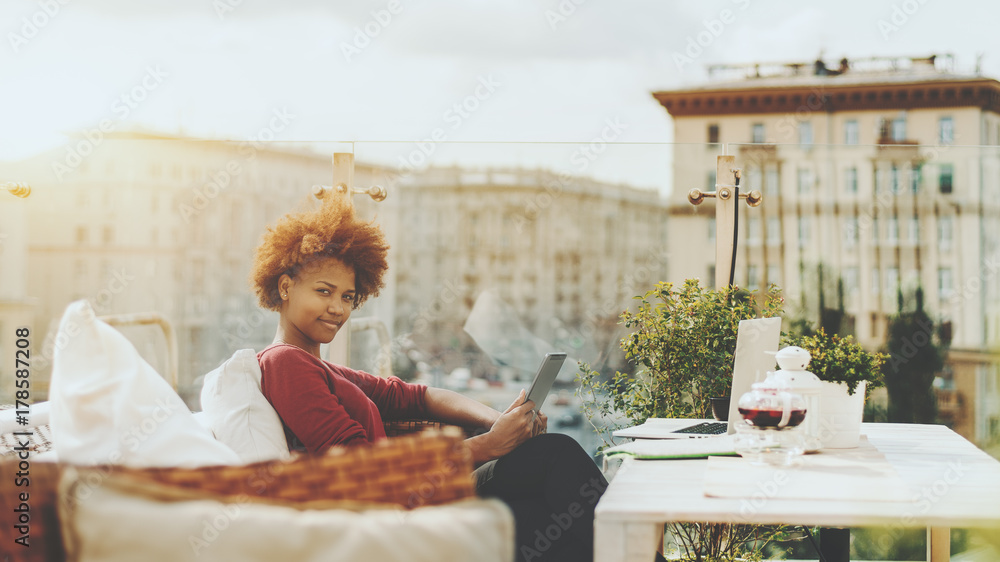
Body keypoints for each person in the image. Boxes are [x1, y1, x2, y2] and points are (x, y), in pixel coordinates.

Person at [249, 194, 608, 562]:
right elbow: (364, 470)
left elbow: (419, 397)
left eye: (348, 297)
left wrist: (498, 423)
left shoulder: (325, 370)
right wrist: (488, 446)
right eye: (323, 291)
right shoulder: (286, 363)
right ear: (285, 287)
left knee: (555, 507)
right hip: (402, 514)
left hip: (418, 498)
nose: (337, 308)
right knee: (555, 466)